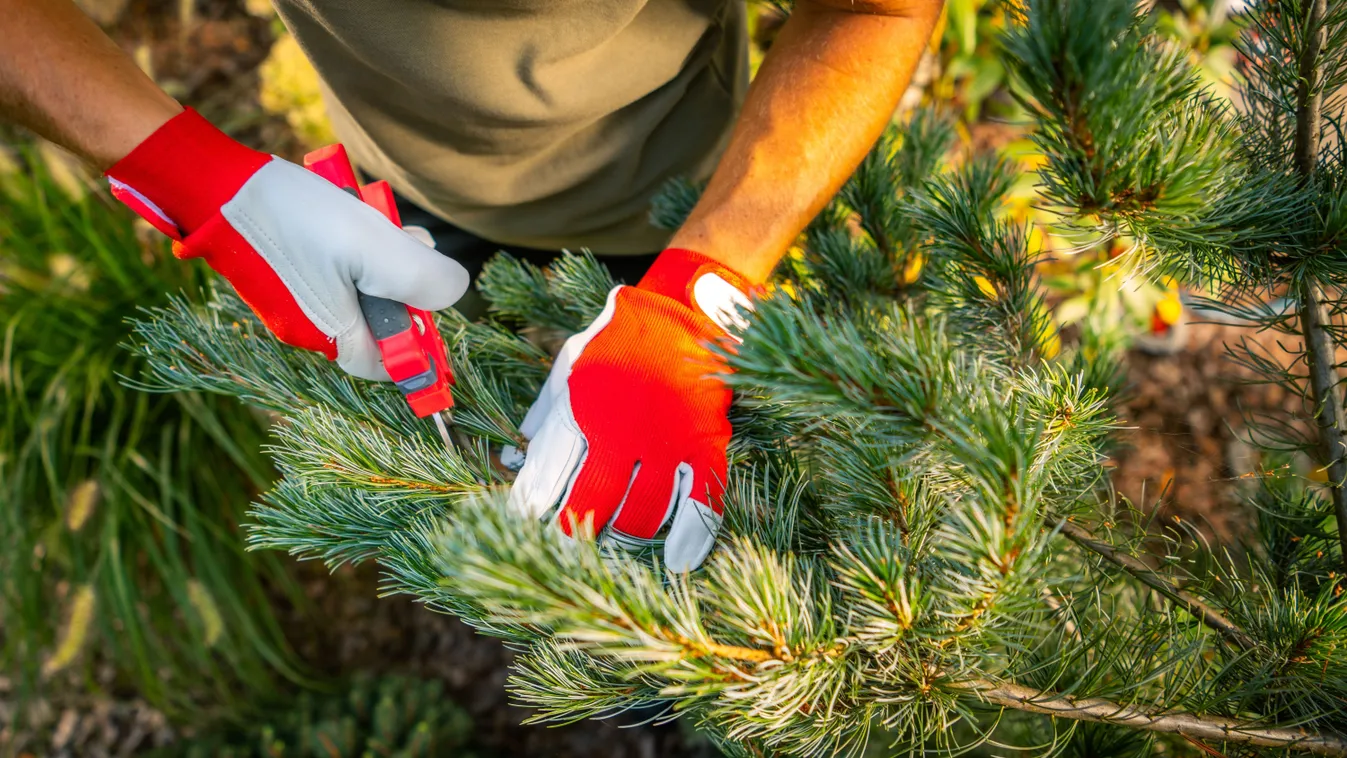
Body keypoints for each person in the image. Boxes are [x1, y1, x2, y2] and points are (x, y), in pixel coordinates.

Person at [0, 0, 942, 571]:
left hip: (683, 204)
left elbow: (875, 9)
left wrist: (697, 291)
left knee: (680, 502)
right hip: (403, 205)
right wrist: (194, 176)